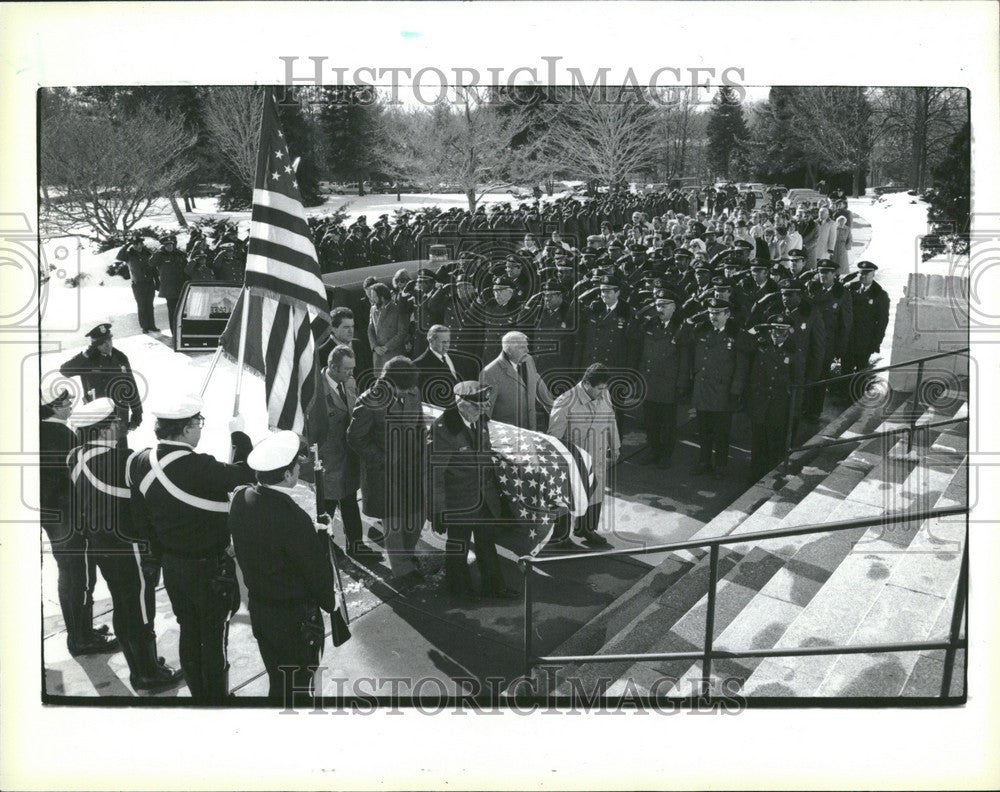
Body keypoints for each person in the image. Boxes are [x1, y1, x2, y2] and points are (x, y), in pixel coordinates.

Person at [127, 394, 254, 704]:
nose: (200, 430)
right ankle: (216, 699)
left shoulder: (140, 462)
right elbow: (247, 472)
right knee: (212, 638)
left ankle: (199, 696)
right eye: (197, 424)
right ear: (184, 430)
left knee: (189, 631)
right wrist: (239, 434)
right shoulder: (200, 466)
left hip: (173, 566)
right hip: (209, 568)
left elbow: (140, 522)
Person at [68, 397, 183, 691]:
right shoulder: (125, 460)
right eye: (116, 421)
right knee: (142, 609)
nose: (121, 424)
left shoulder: (76, 456)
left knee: (123, 604)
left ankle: (140, 666)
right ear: (104, 429)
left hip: (101, 545)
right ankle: (147, 673)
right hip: (131, 546)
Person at [229, 430, 337, 705]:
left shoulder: (242, 499)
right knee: (299, 690)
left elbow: (265, 537)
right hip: (295, 619)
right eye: (297, 467)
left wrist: (311, 530)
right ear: (288, 475)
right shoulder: (293, 516)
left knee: (278, 682)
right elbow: (315, 569)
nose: (300, 470)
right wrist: (331, 602)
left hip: (263, 611)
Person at [40, 388, 117, 656]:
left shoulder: (39, 430)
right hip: (70, 517)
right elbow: (77, 476)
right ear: (50, 407)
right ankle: (82, 638)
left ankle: (81, 630)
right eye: (63, 401)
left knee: (70, 575)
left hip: (52, 516)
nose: (70, 404)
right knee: (80, 578)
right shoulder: (62, 434)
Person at [427, 381, 518, 599]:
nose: (484, 410)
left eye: (485, 405)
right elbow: (433, 474)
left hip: (483, 498)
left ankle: (495, 587)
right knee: (459, 547)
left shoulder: (480, 421)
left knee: (487, 543)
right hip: (458, 501)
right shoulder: (444, 430)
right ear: (462, 404)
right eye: (479, 406)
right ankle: (459, 591)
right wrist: (438, 511)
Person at [347, 357, 427, 582]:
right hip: (385, 473)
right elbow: (355, 437)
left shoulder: (413, 392)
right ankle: (402, 569)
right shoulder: (369, 401)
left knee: (417, 514)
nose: (409, 391)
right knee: (394, 521)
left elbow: (419, 424)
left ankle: (407, 554)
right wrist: (380, 459)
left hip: (412, 467)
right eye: (405, 387)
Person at [308, 344, 381, 563]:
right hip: (327, 461)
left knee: (349, 502)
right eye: (347, 369)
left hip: (348, 457)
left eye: (353, 368)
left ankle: (355, 546)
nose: (351, 373)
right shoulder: (315, 390)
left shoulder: (349, 383)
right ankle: (325, 547)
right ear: (332, 366)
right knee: (327, 507)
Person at [547, 364, 620, 548]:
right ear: (586, 383)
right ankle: (561, 535)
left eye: (604, 388)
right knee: (566, 497)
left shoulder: (604, 393)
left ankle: (586, 529)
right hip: (573, 460)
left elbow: (611, 419)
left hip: (597, 455)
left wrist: (615, 446)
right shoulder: (565, 401)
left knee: (595, 494)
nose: (602, 392)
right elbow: (553, 437)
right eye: (599, 388)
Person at [678, 297, 748, 479]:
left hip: (723, 392)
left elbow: (741, 365)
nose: (713, 317)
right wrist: (691, 320)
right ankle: (704, 461)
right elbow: (680, 340)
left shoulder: (736, 334)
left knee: (722, 432)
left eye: (717, 313)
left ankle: (721, 464)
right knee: (704, 430)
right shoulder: (702, 330)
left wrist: (736, 390)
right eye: (710, 313)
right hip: (703, 389)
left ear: (727, 315)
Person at [630, 289, 685, 468]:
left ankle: (665, 455)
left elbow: (684, 360)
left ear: (674, 307)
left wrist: (681, 383)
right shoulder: (650, 325)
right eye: (657, 304)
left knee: (667, 424)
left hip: (668, 383)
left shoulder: (680, 328)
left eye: (664, 305)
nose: (659, 309)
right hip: (649, 381)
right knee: (650, 421)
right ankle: (653, 450)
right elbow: (637, 344)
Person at [59, 323, 143, 437]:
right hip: (96, 416)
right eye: (102, 342)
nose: (107, 344)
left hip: (119, 413)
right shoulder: (87, 361)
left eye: (109, 340)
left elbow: (131, 384)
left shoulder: (120, 357)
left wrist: (137, 413)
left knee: (121, 450)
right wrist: (86, 353)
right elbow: (65, 371)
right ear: (94, 344)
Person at [746, 315, 803, 480]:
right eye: (774, 330)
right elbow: (743, 343)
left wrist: (795, 410)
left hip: (779, 404)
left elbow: (798, 383)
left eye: (782, 331)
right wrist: (756, 328)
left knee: (774, 440)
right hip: (760, 401)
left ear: (787, 333)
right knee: (758, 440)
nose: (777, 334)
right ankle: (755, 473)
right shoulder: (761, 346)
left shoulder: (793, 352)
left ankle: (769, 473)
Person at [803, 260, 854, 420]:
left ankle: (814, 411)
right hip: (808, 341)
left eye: (827, 272)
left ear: (834, 274)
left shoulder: (842, 294)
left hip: (827, 343)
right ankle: (803, 408)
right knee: (806, 374)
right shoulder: (812, 289)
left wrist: (840, 349)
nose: (823, 275)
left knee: (821, 376)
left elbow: (846, 324)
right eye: (820, 272)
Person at [479, 331, 554, 432]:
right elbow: (485, 414)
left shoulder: (528, 360)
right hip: (508, 438)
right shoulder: (490, 373)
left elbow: (541, 390)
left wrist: (557, 412)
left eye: (527, 346)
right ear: (509, 350)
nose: (527, 350)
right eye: (522, 347)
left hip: (530, 433)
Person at [842, 260, 890, 379]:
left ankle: (856, 396)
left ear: (873, 274)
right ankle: (843, 394)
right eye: (860, 273)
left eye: (866, 274)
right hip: (848, 339)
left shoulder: (880, 294)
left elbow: (882, 322)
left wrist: (876, 343)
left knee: (861, 374)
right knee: (844, 371)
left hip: (865, 341)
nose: (862, 276)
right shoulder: (851, 289)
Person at [413, 325, 477, 408]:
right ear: (430, 341)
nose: (447, 345)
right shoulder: (419, 365)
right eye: (443, 342)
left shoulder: (457, 358)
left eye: (448, 341)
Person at [116, 234, 159, 332]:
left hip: (149, 282)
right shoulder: (129, 254)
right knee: (141, 305)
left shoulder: (148, 253)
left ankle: (152, 325)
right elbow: (119, 256)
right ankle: (145, 326)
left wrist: (157, 282)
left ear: (142, 244)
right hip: (137, 284)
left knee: (149, 304)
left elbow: (154, 269)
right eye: (134, 244)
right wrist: (127, 244)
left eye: (138, 243)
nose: (136, 246)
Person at [150, 234, 188, 336]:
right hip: (169, 290)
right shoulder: (160, 255)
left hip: (181, 287)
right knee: (173, 312)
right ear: (163, 246)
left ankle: (183, 332)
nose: (169, 247)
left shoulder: (179, 254)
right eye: (167, 245)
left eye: (171, 244)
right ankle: (175, 333)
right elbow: (151, 263)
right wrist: (159, 251)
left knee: (183, 311)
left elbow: (186, 268)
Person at [367, 282, 407, 374]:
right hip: (378, 356)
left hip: (394, 355)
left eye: (374, 297)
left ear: (382, 297)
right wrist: (375, 347)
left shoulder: (397, 309)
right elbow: (370, 330)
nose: (372, 300)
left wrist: (387, 347)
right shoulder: (373, 309)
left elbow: (402, 332)